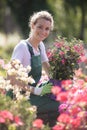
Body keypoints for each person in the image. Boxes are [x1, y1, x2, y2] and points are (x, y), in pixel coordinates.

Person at [11, 10, 60, 127]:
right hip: (20, 96)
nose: (43, 31)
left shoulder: (40, 46)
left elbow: (48, 69)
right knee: (58, 106)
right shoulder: (22, 47)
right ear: (32, 25)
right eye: (40, 27)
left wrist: (61, 81)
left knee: (62, 100)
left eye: (47, 29)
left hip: (32, 94)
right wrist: (36, 90)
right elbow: (11, 79)